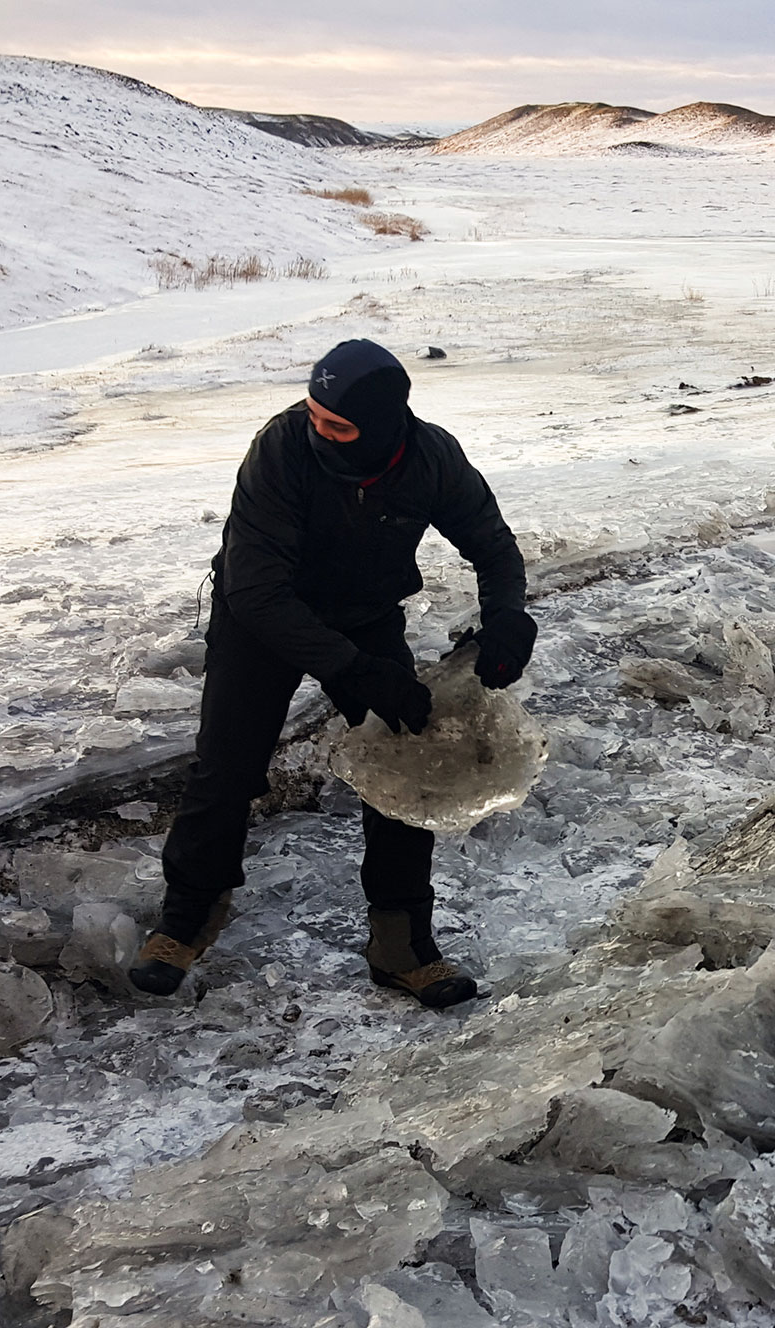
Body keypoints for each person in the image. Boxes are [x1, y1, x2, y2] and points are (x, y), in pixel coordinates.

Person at [128, 339, 534, 1009]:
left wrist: (508, 618)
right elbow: (257, 592)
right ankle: (185, 922)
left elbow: (493, 546)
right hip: (259, 619)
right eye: (314, 412)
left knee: (409, 758)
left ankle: (401, 946)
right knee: (226, 769)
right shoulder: (281, 449)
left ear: (379, 430)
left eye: (336, 424)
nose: (317, 427)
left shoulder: (430, 458)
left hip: (364, 614)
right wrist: (357, 672)